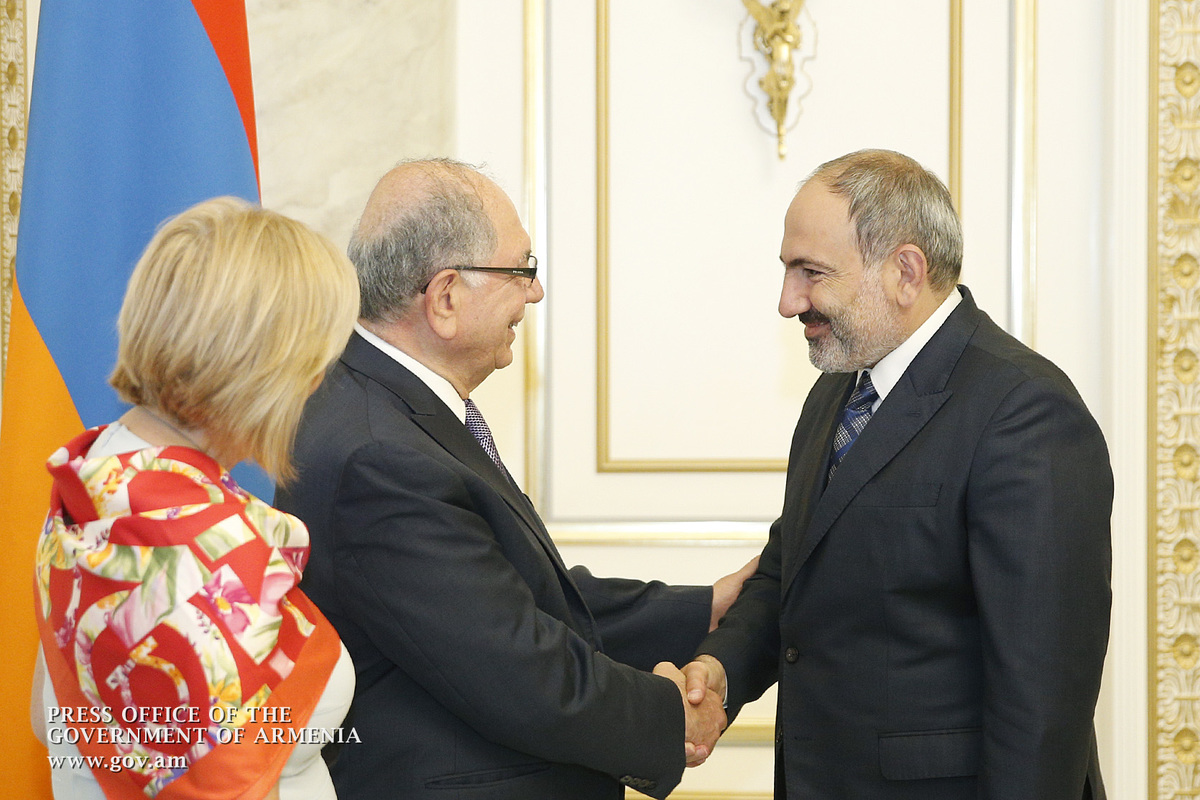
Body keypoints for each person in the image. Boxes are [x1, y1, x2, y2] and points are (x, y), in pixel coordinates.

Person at [274, 158, 748, 800]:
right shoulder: (379, 455)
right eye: (521, 270)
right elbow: (514, 665)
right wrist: (671, 716)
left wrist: (702, 608)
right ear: (445, 297)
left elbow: (509, 593)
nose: (536, 293)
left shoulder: (382, 408)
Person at [682, 149, 1113, 798]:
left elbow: (1042, 701)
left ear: (905, 272)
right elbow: (792, 571)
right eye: (787, 270)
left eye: (810, 272)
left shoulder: (1026, 411)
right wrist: (721, 669)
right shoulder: (836, 393)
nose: (788, 301)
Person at [31, 197, 361, 800]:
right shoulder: (198, 539)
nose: (316, 385)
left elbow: (48, 717)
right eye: (314, 364)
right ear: (261, 369)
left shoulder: (101, 475)